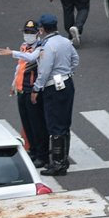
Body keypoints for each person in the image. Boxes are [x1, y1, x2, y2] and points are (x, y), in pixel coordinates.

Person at [0, 20, 49, 168]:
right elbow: (19, 66)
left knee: (37, 124)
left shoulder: (41, 47)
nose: (29, 35)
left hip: (32, 90)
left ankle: (42, 154)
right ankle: (33, 150)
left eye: (32, 33)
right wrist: (14, 83)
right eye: (26, 32)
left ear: (38, 33)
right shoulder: (24, 47)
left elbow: (31, 59)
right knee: (27, 124)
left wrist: (11, 52)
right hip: (22, 90)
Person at [31, 14, 79, 176]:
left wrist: (36, 89)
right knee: (64, 123)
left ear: (42, 29)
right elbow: (75, 59)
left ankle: (58, 164)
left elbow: (44, 71)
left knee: (55, 125)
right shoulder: (66, 41)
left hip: (53, 87)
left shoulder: (47, 46)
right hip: (67, 83)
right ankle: (63, 159)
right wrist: (67, 73)